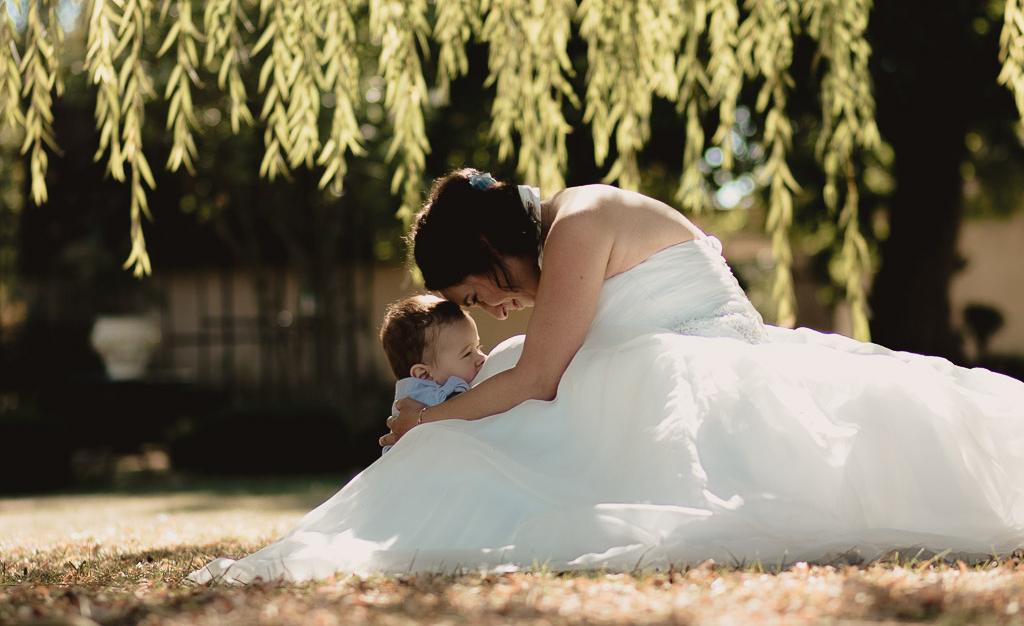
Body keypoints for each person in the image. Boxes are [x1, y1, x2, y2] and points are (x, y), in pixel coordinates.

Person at [189, 169, 1024, 585]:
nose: (497, 307)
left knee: (495, 407)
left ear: (490, 249)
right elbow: (540, 362)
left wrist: (427, 421)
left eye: (480, 291)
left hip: (706, 369)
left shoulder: (577, 224)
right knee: (492, 404)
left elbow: (545, 373)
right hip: (660, 366)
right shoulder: (560, 243)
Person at [378, 294, 487, 455]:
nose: (482, 358)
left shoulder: (425, 391)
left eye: (478, 347)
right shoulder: (434, 397)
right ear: (424, 375)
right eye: (467, 354)